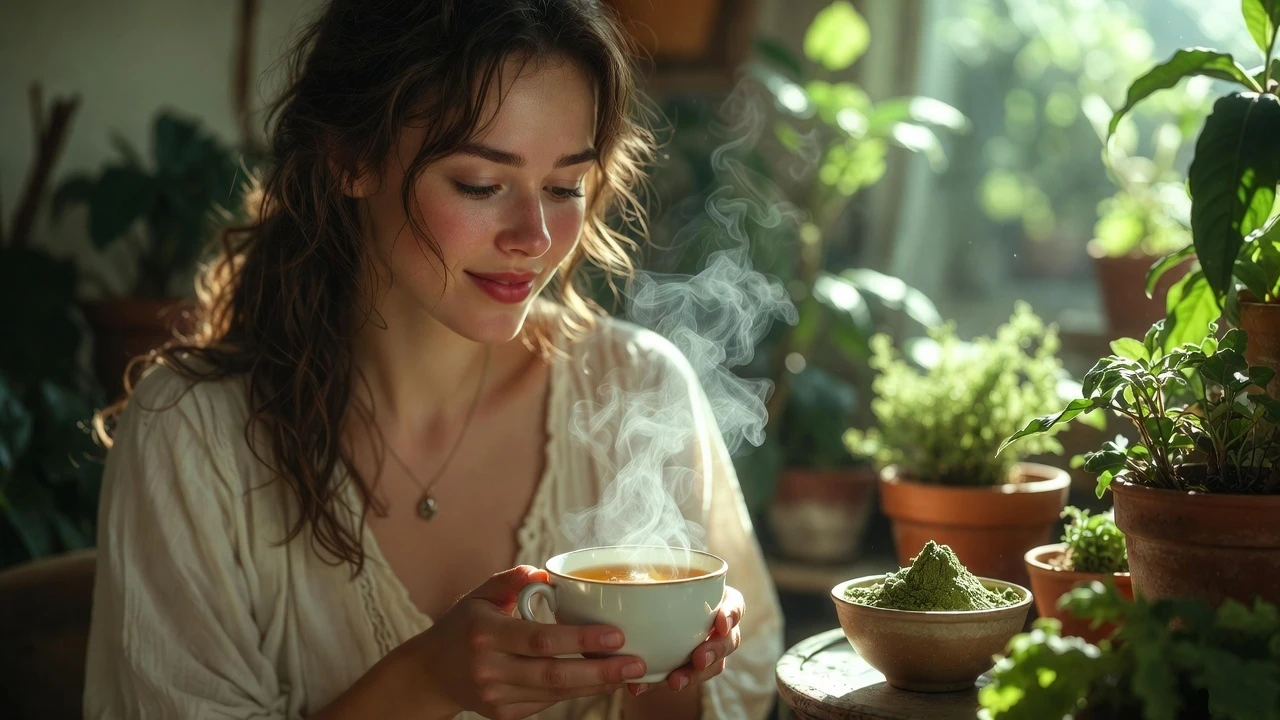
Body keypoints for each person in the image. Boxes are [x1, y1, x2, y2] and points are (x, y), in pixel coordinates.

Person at [83, 1, 784, 718]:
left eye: (565, 186)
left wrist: (673, 663)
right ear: (350, 160)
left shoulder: (638, 383)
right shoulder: (194, 438)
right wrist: (426, 681)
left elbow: (751, 675)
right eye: (481, 184)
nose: (534, 236)